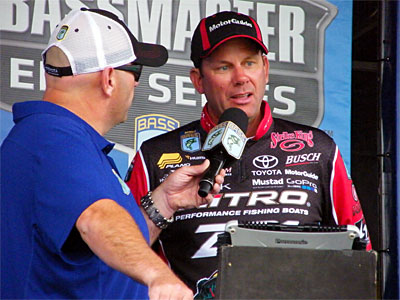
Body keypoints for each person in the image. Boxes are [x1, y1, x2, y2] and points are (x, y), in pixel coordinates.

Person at [125, 11, 371, 297]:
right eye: (223, 67)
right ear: (198, 80)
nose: (241, 78)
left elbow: (359, 259)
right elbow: (121, 257)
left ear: (265, 68)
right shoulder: (155, 155)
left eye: (249, 63)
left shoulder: (318, 149)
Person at [0, 8, 225, 300]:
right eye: (135, 71)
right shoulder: (53, 137)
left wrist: (164, 203)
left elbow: (100, 246)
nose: (136, 83)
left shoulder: (60, 140)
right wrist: (157, 276)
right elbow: (97, 219)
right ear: (108, 79)